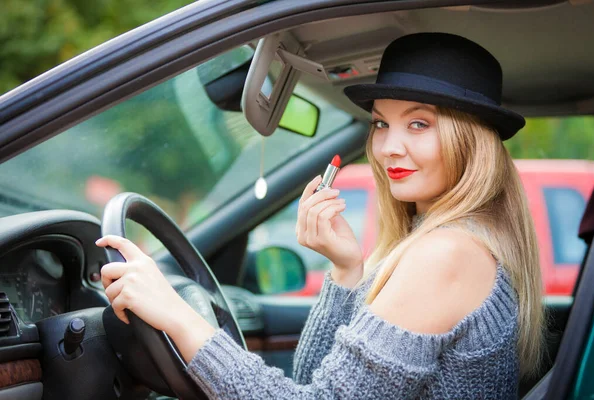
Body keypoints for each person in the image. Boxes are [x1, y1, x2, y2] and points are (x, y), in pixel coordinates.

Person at [96, 32, 544, 399]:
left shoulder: (447, 252)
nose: (389, 147)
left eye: (419, 124)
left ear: (471, 140)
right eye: (381, 123)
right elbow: (314, 382)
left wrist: (176, 314)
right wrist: (347, 269)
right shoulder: (449, 238)